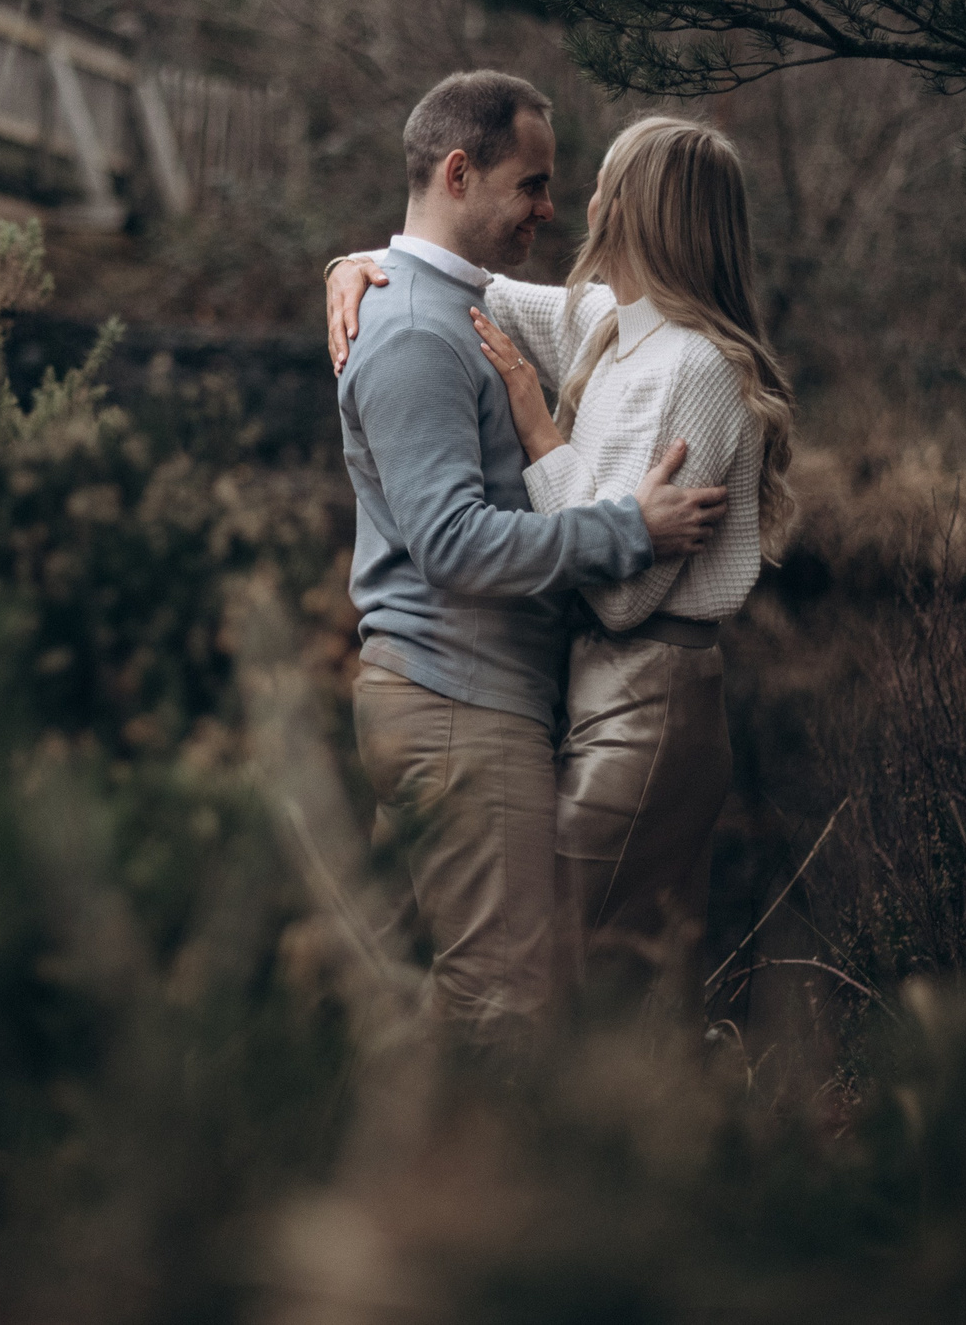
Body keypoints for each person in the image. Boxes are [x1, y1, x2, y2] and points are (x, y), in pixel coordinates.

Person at [327, 115, 793, 987]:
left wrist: (541, 433)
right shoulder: (611, 324)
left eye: (602, 183)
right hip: (595, 686)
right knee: (568, 970)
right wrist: (352, 267)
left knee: (550, 968)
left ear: (642, 210)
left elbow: (622, 595)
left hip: (649, 693)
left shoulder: (692, 367)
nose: (577, 203)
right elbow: (460, 280)